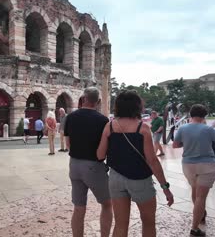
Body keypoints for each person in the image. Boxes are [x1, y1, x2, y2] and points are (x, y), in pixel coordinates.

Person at [97, 91, 174, 237]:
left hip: (115, 178)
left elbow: (100, 155)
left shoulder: (110, 126)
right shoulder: (142, 128)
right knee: (148, 222)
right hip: (140, 179)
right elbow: (152, 161)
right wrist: (165, 187)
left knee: (120, 225)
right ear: (137, 107)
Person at [173, 104, 215, 237]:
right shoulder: (207, 129)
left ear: (190, 115)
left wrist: (186, 143)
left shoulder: (183, 128)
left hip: (188, 165)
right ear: (204, 116)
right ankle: (194, 228)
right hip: (207, 165)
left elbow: (175, 145)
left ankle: (200, 213)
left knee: (194, 189)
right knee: (201, 196)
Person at [65, 87, 112, 237]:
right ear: (98, 102)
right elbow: (105, 148)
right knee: (107, 204)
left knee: (79, 208)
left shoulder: (70, 117)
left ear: (83, 99)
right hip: (93, 166)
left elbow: (68, 144)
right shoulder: (103, 120)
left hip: (74, 165)